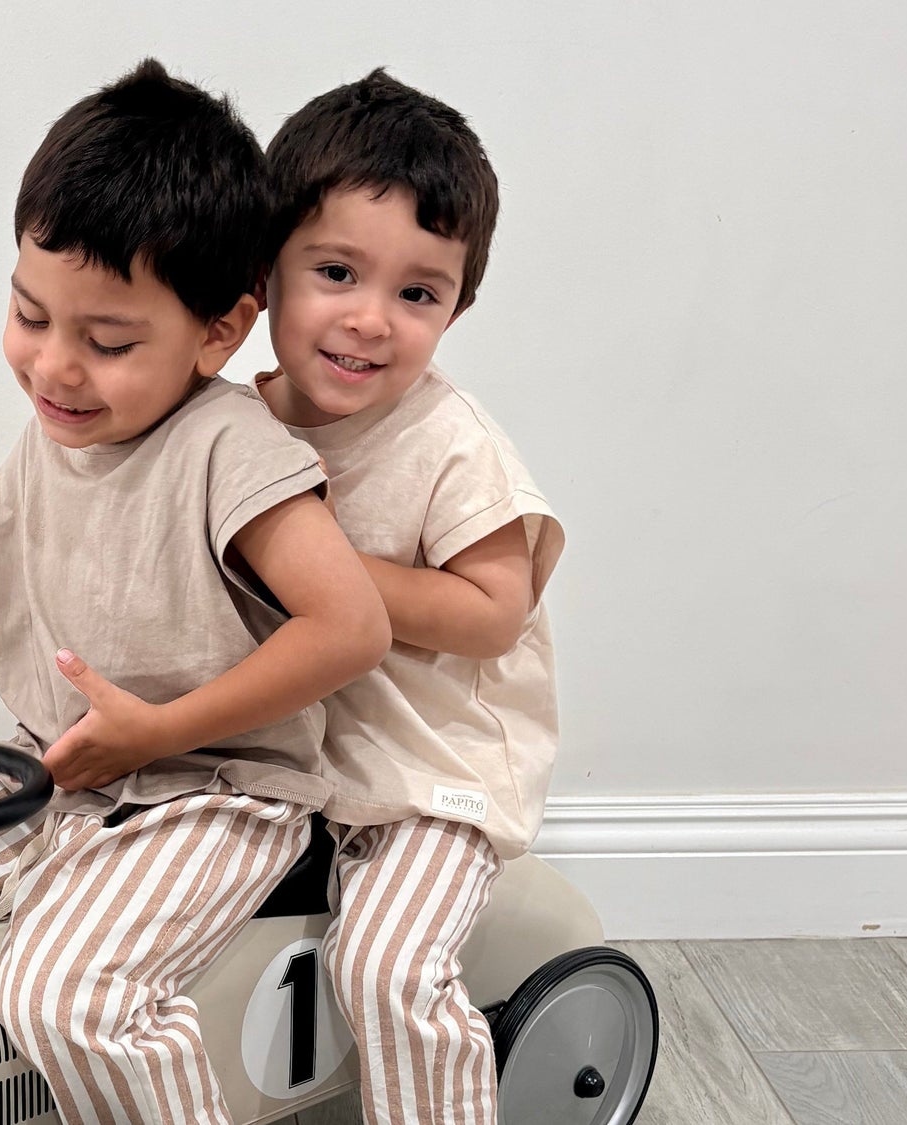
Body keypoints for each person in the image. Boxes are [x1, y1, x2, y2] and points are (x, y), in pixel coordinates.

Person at [0, 60, 391, 1125]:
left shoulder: (228, 450)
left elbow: (350, 626)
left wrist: (158, 729)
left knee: (72, 993)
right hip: (65, 770)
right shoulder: (50, 441)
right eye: (30, 317)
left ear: (217, 330)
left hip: (213, 793)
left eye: (107, 343)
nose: (54, 370)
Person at [251, 69, 567, 1125]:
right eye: (335, 271)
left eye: (416, 293)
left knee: (385, 969)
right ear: (264, 271)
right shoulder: (224, 426)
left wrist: (328, 567)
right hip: (285, 757)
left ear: (456, 306)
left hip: (423, 773)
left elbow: (491, 610)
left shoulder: (446, 442)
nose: (368, 320)